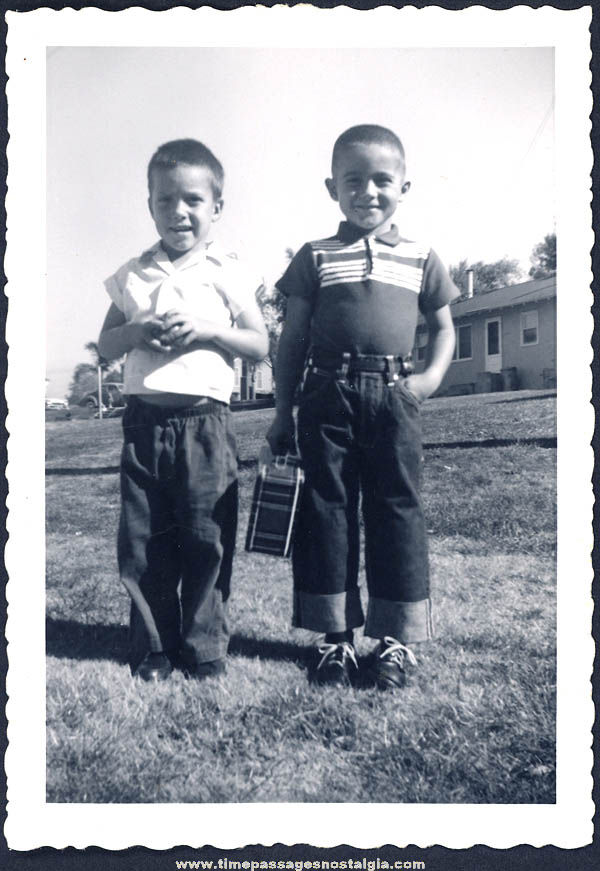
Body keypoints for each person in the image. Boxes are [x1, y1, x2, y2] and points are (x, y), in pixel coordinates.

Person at [267, 124, 459, 690]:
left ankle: (396, 641)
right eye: (354, 180)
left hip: (395, 397)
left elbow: (444, 329)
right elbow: (292, 341)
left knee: (397, 509)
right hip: (326, 396)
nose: (368, 192)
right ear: (332, 187)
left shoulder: (423, 257)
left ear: (405, 186)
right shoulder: (315, 257)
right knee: (326, 510)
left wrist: (427, 381)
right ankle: (335, 642)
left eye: (382, 181)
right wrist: (282, 413)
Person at [98, 139, 268, 682]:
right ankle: (153, 646)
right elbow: (106, 344)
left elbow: (259, 344)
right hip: (144, 425)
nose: (179, 211)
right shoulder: (132, 273)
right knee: (145, 543)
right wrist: (138, 330)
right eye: (165, 199)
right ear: (149, 204)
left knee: (206, 539)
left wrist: (208, 331)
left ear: (217, 206)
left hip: (205, 425)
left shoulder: (227, 269)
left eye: (193, 200)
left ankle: (204, 647)